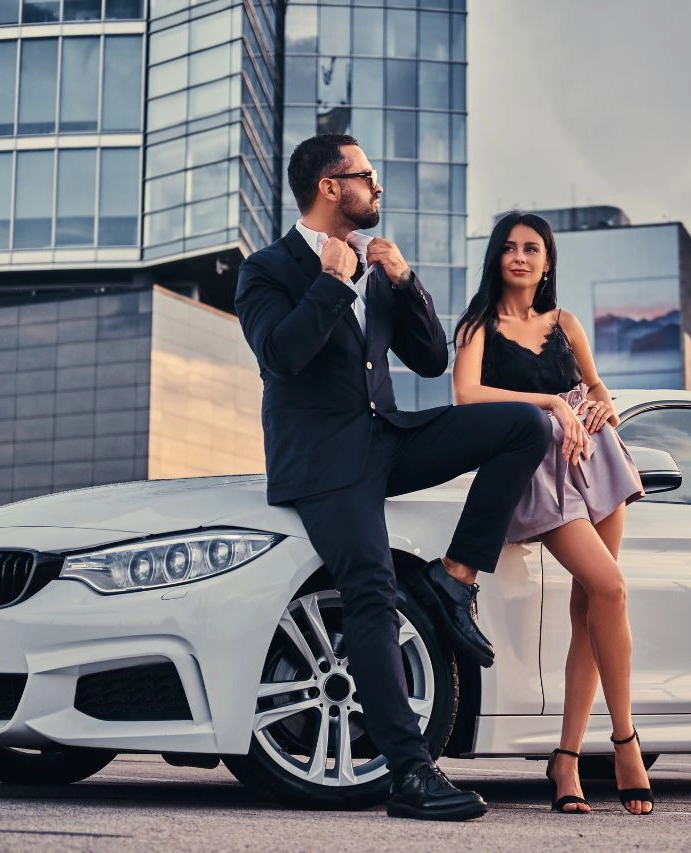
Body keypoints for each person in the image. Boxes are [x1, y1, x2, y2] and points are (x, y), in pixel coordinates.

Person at [235, 135, 550, 821]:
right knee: (372, 587)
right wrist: (329, 281)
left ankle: (454, 576)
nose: (378, 188)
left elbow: (433, 360)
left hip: (386, 437)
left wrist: (404, 283)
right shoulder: (266, 270)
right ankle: (410, 773)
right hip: (320, 458)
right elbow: (281, 357)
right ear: (329, 186)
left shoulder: (378, 270)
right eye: (367, 177)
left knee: (525, 424)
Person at [452, 212, 654, 816]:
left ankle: (566, 759)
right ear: (497, 258)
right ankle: (624, 742)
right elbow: (467, 396)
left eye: (532, 248)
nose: (520, 257)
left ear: (547, 262)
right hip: (539, 468)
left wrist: (595, 409)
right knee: (611, 587)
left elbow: (597, 390)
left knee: (591, 605)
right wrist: (550, 403)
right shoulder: (477, 327)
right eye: (510, 248)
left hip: (597, 460)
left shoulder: (565, 323)